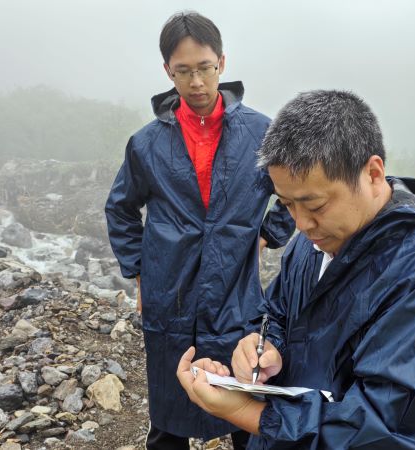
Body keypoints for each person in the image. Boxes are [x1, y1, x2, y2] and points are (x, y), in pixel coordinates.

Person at [177, 90, 415, 449]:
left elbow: (386, 432)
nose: (302, 223)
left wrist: (248, 412)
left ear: (373, 174)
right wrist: (263, 347)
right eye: (288, 205)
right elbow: (274, 312)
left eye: (315, 205)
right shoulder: (312, 243)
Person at [105, 12, 295, 450]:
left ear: (222, 63)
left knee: (246, 401)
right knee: (169, 412)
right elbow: (121, 208)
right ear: (167, 71)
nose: (196, 82)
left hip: (235, 291)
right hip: (169, 291)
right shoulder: (147, 143)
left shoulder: (261, 134)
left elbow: (292, 192)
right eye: (183, 71)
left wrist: (268, 234)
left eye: (205, 68)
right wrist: (140, 271)